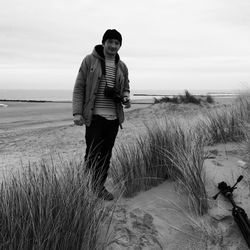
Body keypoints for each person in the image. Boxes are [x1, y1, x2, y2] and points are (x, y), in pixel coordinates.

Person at [72, 29, 131, 201]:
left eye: (117, 43)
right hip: (95, 117)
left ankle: (98, 187)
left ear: (120, 45)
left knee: (106, 155)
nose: (113, 46)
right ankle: (85, 185)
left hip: (113, 118)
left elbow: (126, 87)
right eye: (110, 42)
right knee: (91, 153)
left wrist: (126, 97)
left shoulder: (122, 66)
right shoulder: (89, 60)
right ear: (103, 42)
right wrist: (77, 112)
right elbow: (79, 87)